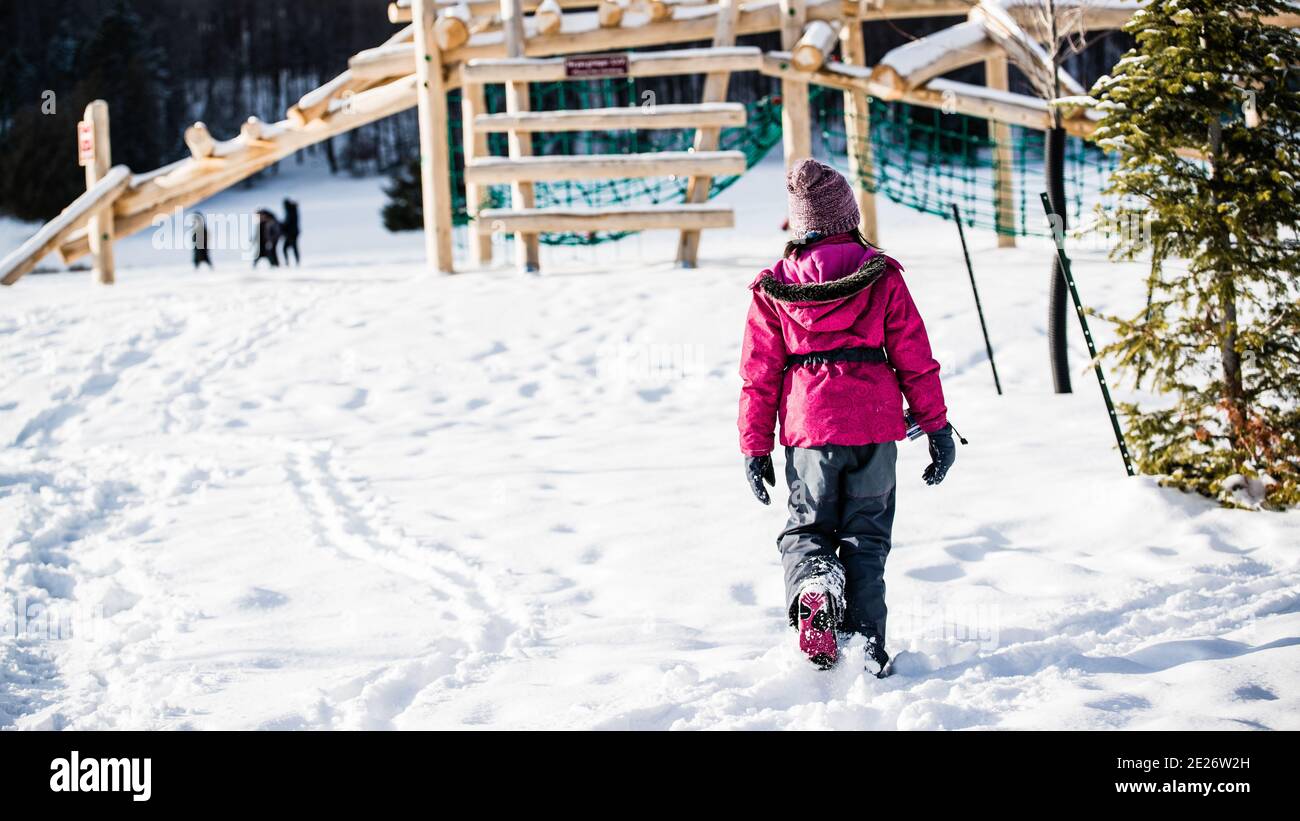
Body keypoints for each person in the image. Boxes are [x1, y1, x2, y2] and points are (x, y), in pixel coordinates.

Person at [738, 159, 956, 677]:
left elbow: (759, 375)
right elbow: (914, 356)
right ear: (849, 217)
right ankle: (866, 649)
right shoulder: (881, 276)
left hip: (810, 431)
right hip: (875, 430)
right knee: (867, 538)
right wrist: (937, 426)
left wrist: (754, 447)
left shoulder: (773, 288)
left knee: (808, 527)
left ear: (799, 226)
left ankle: (814, 586)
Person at [280, 198, 300, 265]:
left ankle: (293, 262)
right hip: (293, 233)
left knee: (287, 248)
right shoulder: (292, 210)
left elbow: (288, 223)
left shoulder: (290, 212)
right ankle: (295, 261)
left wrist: (282, 226)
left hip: (291, 233)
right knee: (292, 247)